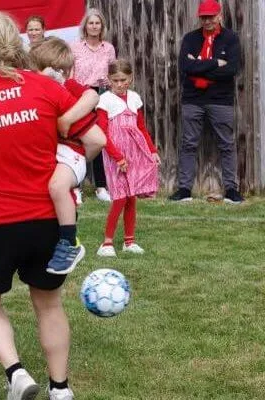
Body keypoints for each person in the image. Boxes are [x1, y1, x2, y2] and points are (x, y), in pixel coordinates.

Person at [0, 12, 104, 400]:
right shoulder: (45, 88)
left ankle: (16, 373)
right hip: (46, 219)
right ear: (17, 42)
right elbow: (95, 139)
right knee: (49, 303)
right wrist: (70, 171)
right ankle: (60, 389)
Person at [29, 37, 106, 274]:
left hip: (70, 150)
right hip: (52, 151)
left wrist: (67, 118)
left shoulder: (66, 86)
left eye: (60, 70)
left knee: (57, 187)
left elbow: (92, 97)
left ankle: (69, 242)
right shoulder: (32, 86)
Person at [169, 0, 243, 204]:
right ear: (199, 18)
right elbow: (185, 66)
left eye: (211, 16)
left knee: (226, 145)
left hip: (221, 100)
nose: (207, 20)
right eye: (204, 17)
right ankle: (184, 189)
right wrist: (214, 63)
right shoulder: (191, 38)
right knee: (188, 144)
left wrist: (199, 66)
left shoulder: (231, 39)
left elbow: (231, 70)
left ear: (219, 16)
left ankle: (231, 190)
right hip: (193, 100)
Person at [95, 59, 160, 257]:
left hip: (135, 153)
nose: (120, 84)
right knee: (120, 197)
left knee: (132, 197)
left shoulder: (134, 98)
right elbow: (102, 133)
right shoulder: (104, 100)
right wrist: (117, 157)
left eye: (123, 79)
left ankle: (129, 241)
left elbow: (141, 126)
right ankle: (106, 243)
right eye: (115, 80)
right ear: (109, 80)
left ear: (130, 78)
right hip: (116, 155)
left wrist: (152, 150)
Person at [70, 8, 116, 203]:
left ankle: (101, 187)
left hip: (102, 94)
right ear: (85, 26)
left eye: (97, 23)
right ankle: (76, 188)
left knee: (99, 141)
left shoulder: (109, 48)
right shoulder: (75, 47)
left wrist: (109, 83)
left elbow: (114, 73)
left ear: (102, 26)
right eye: (91, 23)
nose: (94, 26)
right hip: (81, 95)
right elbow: (70, 74)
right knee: (79, 140)